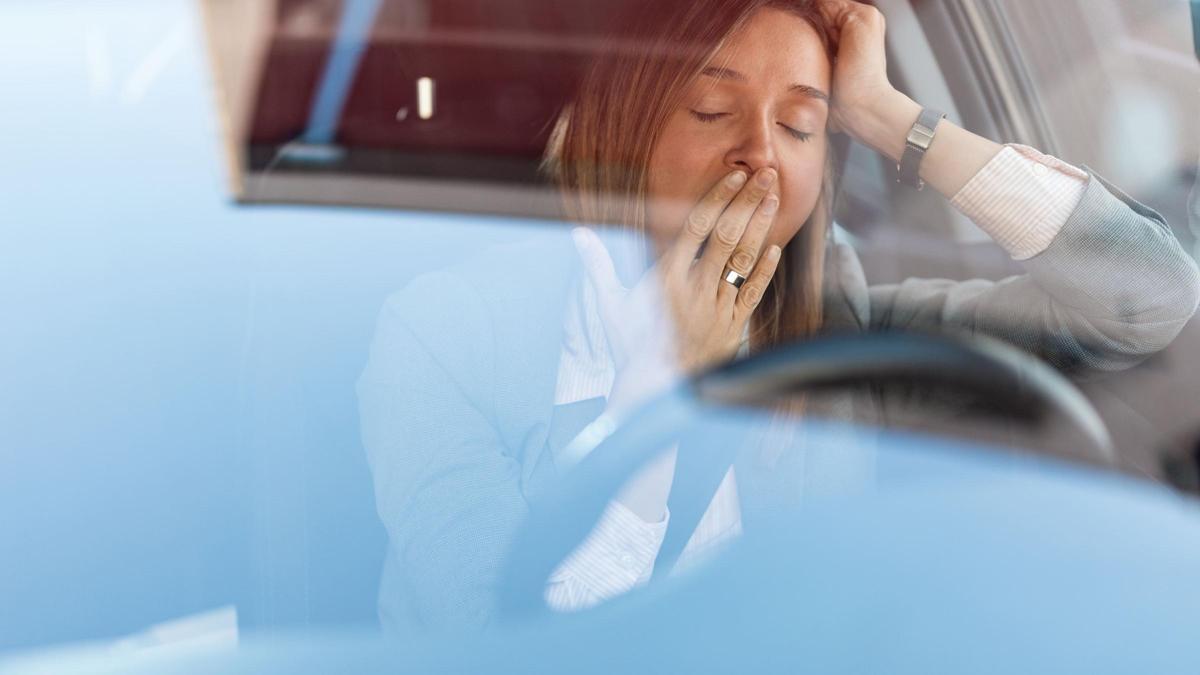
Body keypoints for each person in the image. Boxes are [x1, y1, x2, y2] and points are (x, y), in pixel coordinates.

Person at [357, 0, 1200, 635]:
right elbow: (502, 635)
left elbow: (1148, 298)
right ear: (619, 125)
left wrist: (887, 117)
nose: (759, 153)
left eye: (800, 124)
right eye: (712, 112)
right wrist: (655, 395)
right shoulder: (445, 338)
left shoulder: (832, 324)